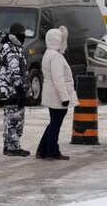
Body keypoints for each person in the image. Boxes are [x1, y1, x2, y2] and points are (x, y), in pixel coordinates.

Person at [36, 26, 78, 160]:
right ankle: (52, 151)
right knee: (55, 124)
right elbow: (58, 79)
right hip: (57, 95)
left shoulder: (48, 54)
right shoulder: (56, 57)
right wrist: (65, 97)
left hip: (51, 93)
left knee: (53, 123)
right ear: (58, 40)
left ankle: (42, 150)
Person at [0, 23, 31, 157]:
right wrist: (20, 89)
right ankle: (14, 148)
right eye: (22, 34)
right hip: (13, 91)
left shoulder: (13, 47)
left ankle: (9, 146)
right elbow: (14, 72)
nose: (23, 37)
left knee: (11, 119)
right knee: (14, 120)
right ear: (16, 35)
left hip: (10, 91)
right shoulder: (11, 49)